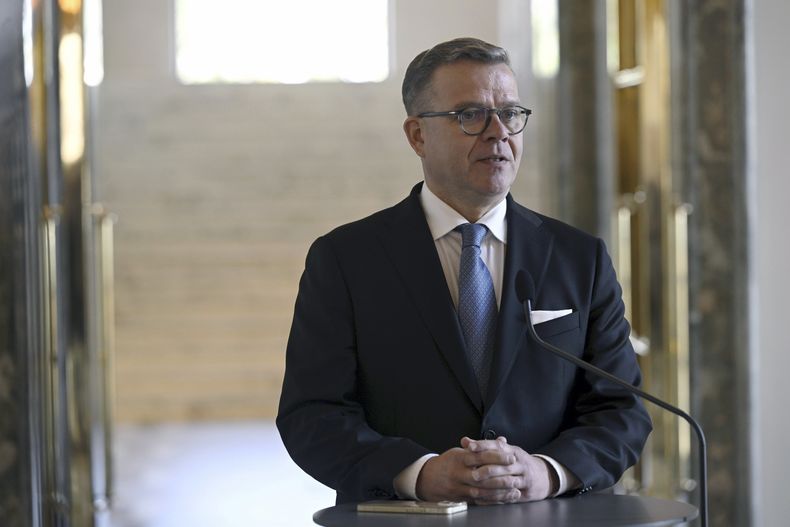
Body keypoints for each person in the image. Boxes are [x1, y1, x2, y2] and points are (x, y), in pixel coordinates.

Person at [277, 37, 652, 505]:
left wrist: (547, 472)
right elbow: (312, 415)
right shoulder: (346, 259)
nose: (498, 132)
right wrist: (418, 475)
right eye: (470, 115)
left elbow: (622, 410)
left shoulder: (580, 258)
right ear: (417, 135)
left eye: (511, 113)